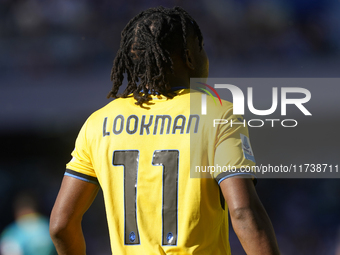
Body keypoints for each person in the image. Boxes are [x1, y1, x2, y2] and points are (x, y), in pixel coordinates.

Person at [49, 6, 280, 255]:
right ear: (189, 56)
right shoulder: (218, 113)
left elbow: (61, 225)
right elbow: (243, 212)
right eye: (201, 47)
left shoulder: (97, 123)